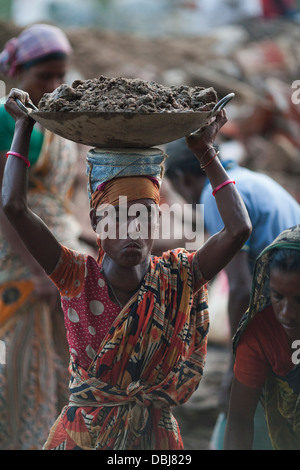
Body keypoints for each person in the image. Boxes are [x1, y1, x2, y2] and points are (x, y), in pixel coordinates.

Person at [1, 89, 251, 450]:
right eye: (116, 218)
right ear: (96, 223)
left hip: (153, 439)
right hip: (83, 438)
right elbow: (13, 206)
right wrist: (23, 127)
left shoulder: (177, 276)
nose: (131, 231)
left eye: (144, 218)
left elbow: (238, 230)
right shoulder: (76, 276)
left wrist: (206, 153)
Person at [165, 137, 300, 449]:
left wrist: (235, 364)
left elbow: (239, 288)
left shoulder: (216, 198)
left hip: (279, 327)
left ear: (183, 178)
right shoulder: (252, 180)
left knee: (246, 417)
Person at [0, 24, 93, 449]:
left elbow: (63, 199)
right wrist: (39, 269)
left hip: (59, 259)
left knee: (60, 364)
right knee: (22, 367)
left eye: (61, 75)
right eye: (44, 77)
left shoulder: (56, 118)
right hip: (21, 262)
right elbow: (6, 203)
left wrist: (86, 241)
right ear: (18, 71)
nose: (54, 85)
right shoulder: (9, 119)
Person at [224, 224, 300, 449]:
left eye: (299, 300)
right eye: (278, 296)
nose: (286, 312)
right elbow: (239, 418)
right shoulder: (260, 335)